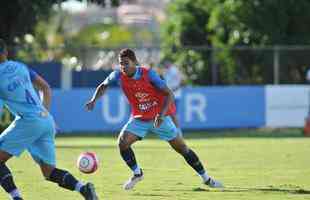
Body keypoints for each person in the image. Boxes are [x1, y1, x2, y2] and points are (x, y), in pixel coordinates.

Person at [85, 48, 223, 190]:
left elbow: (169, 94)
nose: (123, 67)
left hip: (159, 118)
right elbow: (103, 86)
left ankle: (206, 179)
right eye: (121, 64)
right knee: (122, 142)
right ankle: (137, 173)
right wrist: (93, 100)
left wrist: (161, 115)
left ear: (135, 62)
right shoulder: (118, 75)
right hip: (139, 119)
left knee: (182, 149)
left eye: (126, 63)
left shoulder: (149, 75)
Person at [0, 39, 98, 200]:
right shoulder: (21, 67)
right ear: (6, 52)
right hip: (46, 120)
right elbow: (46, 88)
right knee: (49, 172)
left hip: (28, 122)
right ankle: (84, 189)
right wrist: (44, 114)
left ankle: (16, 197)